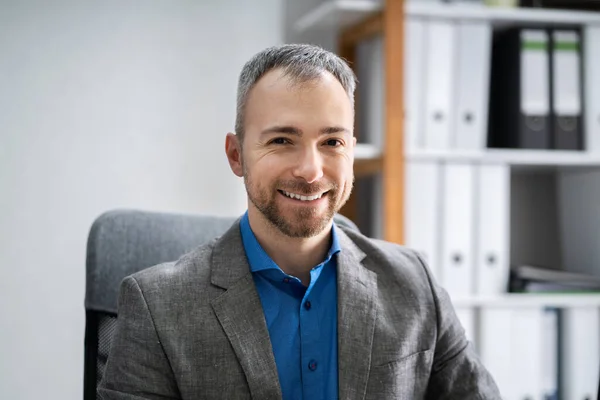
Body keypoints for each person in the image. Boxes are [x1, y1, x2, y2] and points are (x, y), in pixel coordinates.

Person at [98, 44, 501, 400]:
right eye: (281, 140)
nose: (311, 170)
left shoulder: (414, 283)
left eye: (332, 142)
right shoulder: (157, 306)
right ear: (236, 155)